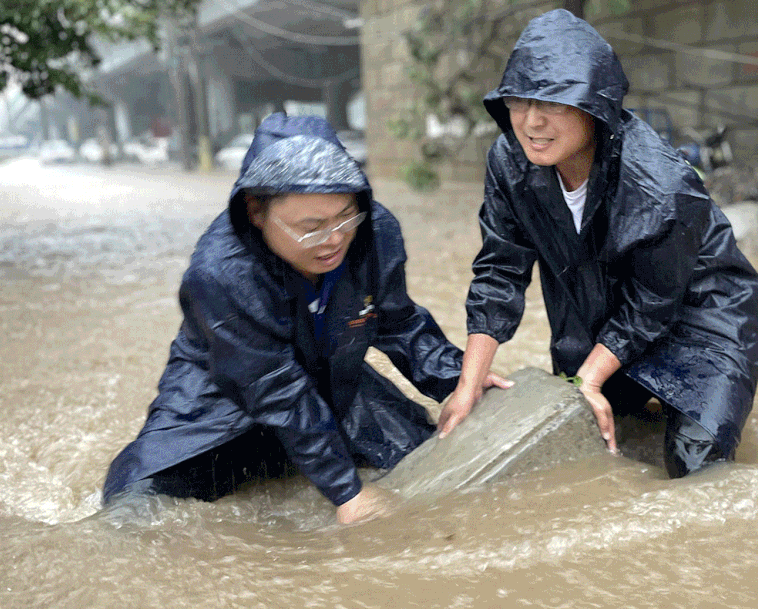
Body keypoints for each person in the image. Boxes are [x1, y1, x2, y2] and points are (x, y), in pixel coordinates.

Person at [102, 113, 508, 523]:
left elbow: (398, 322)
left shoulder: (375, 232)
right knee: (138, 507)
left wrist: (458, 378)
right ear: (255, 212)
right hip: (225, 389)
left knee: (433, 459)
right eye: (310, 227)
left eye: (345, 217)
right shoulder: (219, 273)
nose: (333, 240)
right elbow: (273, 386)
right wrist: (348, 493)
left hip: (331, 376)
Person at [438, 10, 758, 478]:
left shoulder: (662, 185)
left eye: (553, 103)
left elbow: (655, 300)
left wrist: (590, 376)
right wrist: (469, 382)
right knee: (585, 449)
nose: (532, 122)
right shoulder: (509, 161)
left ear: (594, 108)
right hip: (601, 318)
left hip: (701, 321)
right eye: (518, 102)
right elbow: (499, 268)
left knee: (698, 469)